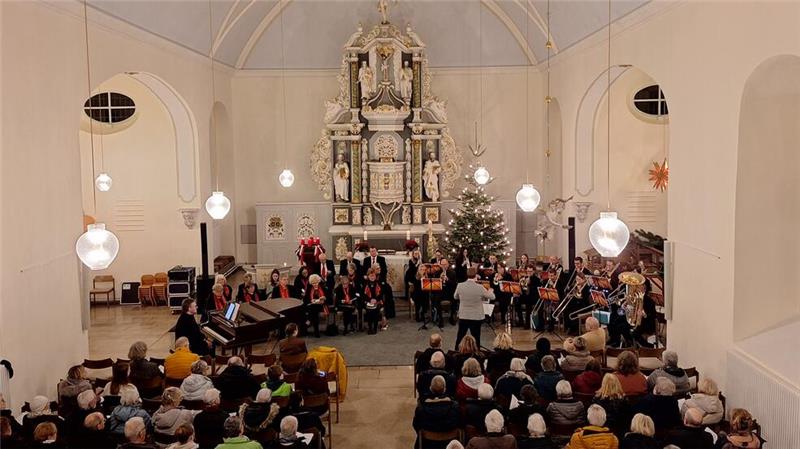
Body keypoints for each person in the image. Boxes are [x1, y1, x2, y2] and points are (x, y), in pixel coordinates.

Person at [412, 375, 461, 449]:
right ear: (444, 389)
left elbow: (416, 425)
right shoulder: (455, 407)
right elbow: (461, 423)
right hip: (450, 443)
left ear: (430, 388)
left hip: (428, 444)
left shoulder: (421, 409)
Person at [454, 267, 495, 349]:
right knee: (476, 337)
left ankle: (456, 352)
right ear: (475, 275)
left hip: (464, 315)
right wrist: (490, 290)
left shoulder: (460, 285)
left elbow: (455, 297)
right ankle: (477, 353)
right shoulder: (480, 287)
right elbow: (492, 297)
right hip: (476, 316)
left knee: (460, 335)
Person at [303, 274, 328, 338]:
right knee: (313, 310)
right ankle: (316, 331)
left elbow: (328, 298)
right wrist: (311, 301)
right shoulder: (309, 289)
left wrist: (324, 299)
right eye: (313, 283)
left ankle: (308, 321)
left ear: (318, 281)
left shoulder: (323, 287)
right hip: (313, 306)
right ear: (311, 283)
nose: (315, 284)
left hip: (322, 306)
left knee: (313, 311)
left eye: (316, 283)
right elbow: (306, 299)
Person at [363, 267, 386, 334]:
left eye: (374, 276)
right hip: (368, 301)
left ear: (376, 276)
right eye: (371, 276)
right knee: (369, 311)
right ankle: (370, 327)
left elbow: (381, 294)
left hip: (377, 301)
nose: (372, 277)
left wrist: (375, 300)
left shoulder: (379, 283)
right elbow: (363, 295)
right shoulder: (365, 284)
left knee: (375, 311)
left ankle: (375, 328)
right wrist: (370, 300)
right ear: (368, 276)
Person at [407, 249, 425, 321]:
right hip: (414, 279)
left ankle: (423, 312)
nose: (416, 255)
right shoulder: (411, 261)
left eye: (418, 253)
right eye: (415, 254)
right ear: (413, 254)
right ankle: (417, 313)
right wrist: (417, 264)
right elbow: (412, 271)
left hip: (422, 284)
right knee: (418, 294)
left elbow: (424, 268)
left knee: (424, 295)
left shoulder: (422, 260)